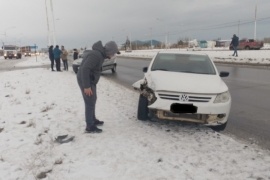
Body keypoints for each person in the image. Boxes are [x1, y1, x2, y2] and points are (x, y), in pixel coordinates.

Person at [77, 41, 120, 133]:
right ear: (109, 51)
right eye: (113, 53)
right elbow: (85, 69)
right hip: (86, 81)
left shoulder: (100, 54)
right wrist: (87, 86)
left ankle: (93, 120)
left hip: (90, 80)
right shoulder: (96, 55)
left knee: (92, 100)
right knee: (89, 101)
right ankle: (90, 126)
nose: (113, 55)